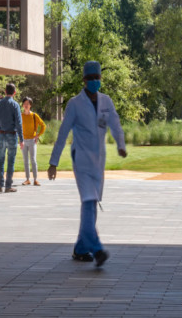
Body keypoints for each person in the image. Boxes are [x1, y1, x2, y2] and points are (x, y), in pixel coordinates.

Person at [49, 61, 127, 267]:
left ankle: (81, 248)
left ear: (100, 78)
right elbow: (63, 133)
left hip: (98, 161)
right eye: (90, 78)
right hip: (82, 160)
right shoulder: (75, 104)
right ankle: (97, 248)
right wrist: (53, 162)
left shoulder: (106, 101)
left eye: (97, 78)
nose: (94, 81)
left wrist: (121, 145)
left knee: (91, 203)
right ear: (84, 80)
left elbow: (115, 124)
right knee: (89, 201)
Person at [0, 83, 22, 193]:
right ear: (14, 93)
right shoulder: (15, 105)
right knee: (11, 161)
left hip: (1, 134)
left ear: (5, 91)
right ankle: (8, 186)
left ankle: (0, 185)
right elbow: (19, 123)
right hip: (12, 134)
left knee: (1, 160)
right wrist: (21, 139)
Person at [20, 97, 46, 186]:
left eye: (28, 104)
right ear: (23, 105)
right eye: (24, 103)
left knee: (33, 160)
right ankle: (27, 179)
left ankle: (35, 179)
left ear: (30, 105)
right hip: (23, 141)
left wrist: (38, 135)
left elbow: (43, 125)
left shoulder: (34, 116)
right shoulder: (20, 116)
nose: (26, 105)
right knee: (25, 161)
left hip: (32, 141)